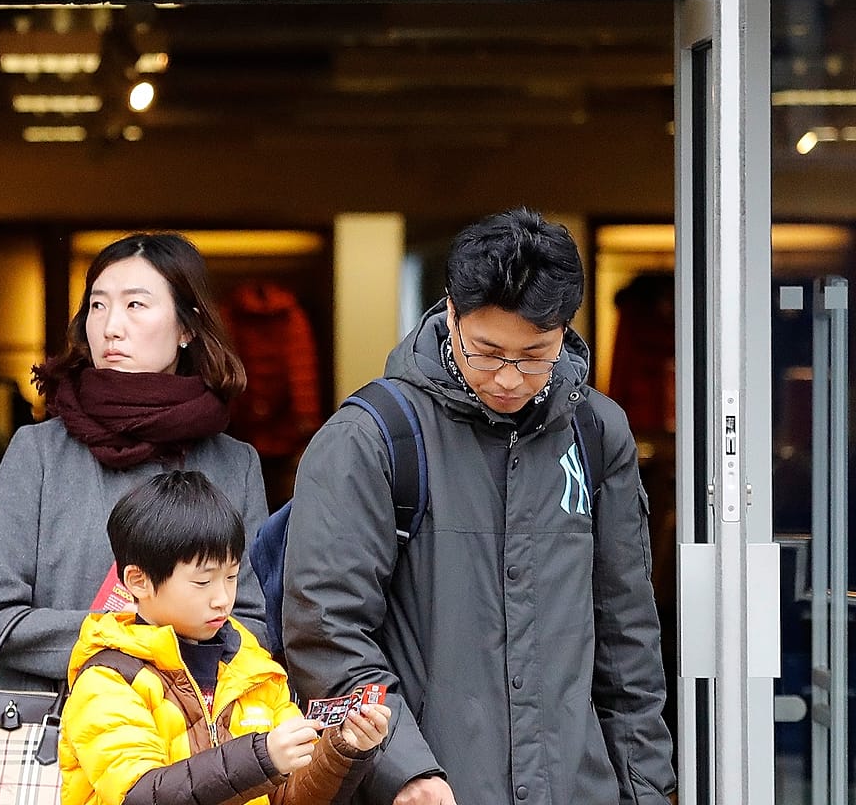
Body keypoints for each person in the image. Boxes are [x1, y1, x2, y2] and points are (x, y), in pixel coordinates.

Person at [282, 207, 676, 805]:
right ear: (449, 313)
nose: (510, 379)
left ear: (566, 333)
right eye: (487, 351)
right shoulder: (371, 438)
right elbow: (326, 631)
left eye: (535, 356)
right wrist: (405, 769)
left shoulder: (597, 433)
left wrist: (646, 791)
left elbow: (627, 647)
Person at [0, 232, 270, 691]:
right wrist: (128, 642)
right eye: (98, 305)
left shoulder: (234, 465)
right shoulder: (39, 453)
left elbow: (252, 626)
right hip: (51, 738)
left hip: (188, 746)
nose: (110, 327)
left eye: (135, 305)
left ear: (187, 328)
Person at [61, 470, 390, 805]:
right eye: (203, 582)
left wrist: (343, 748)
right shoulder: (108, 680)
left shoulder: (256, 670)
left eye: (231, 577)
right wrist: (262, 758)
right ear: (138, 581)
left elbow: (291, 796)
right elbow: (139, 795)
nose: (222, 598)